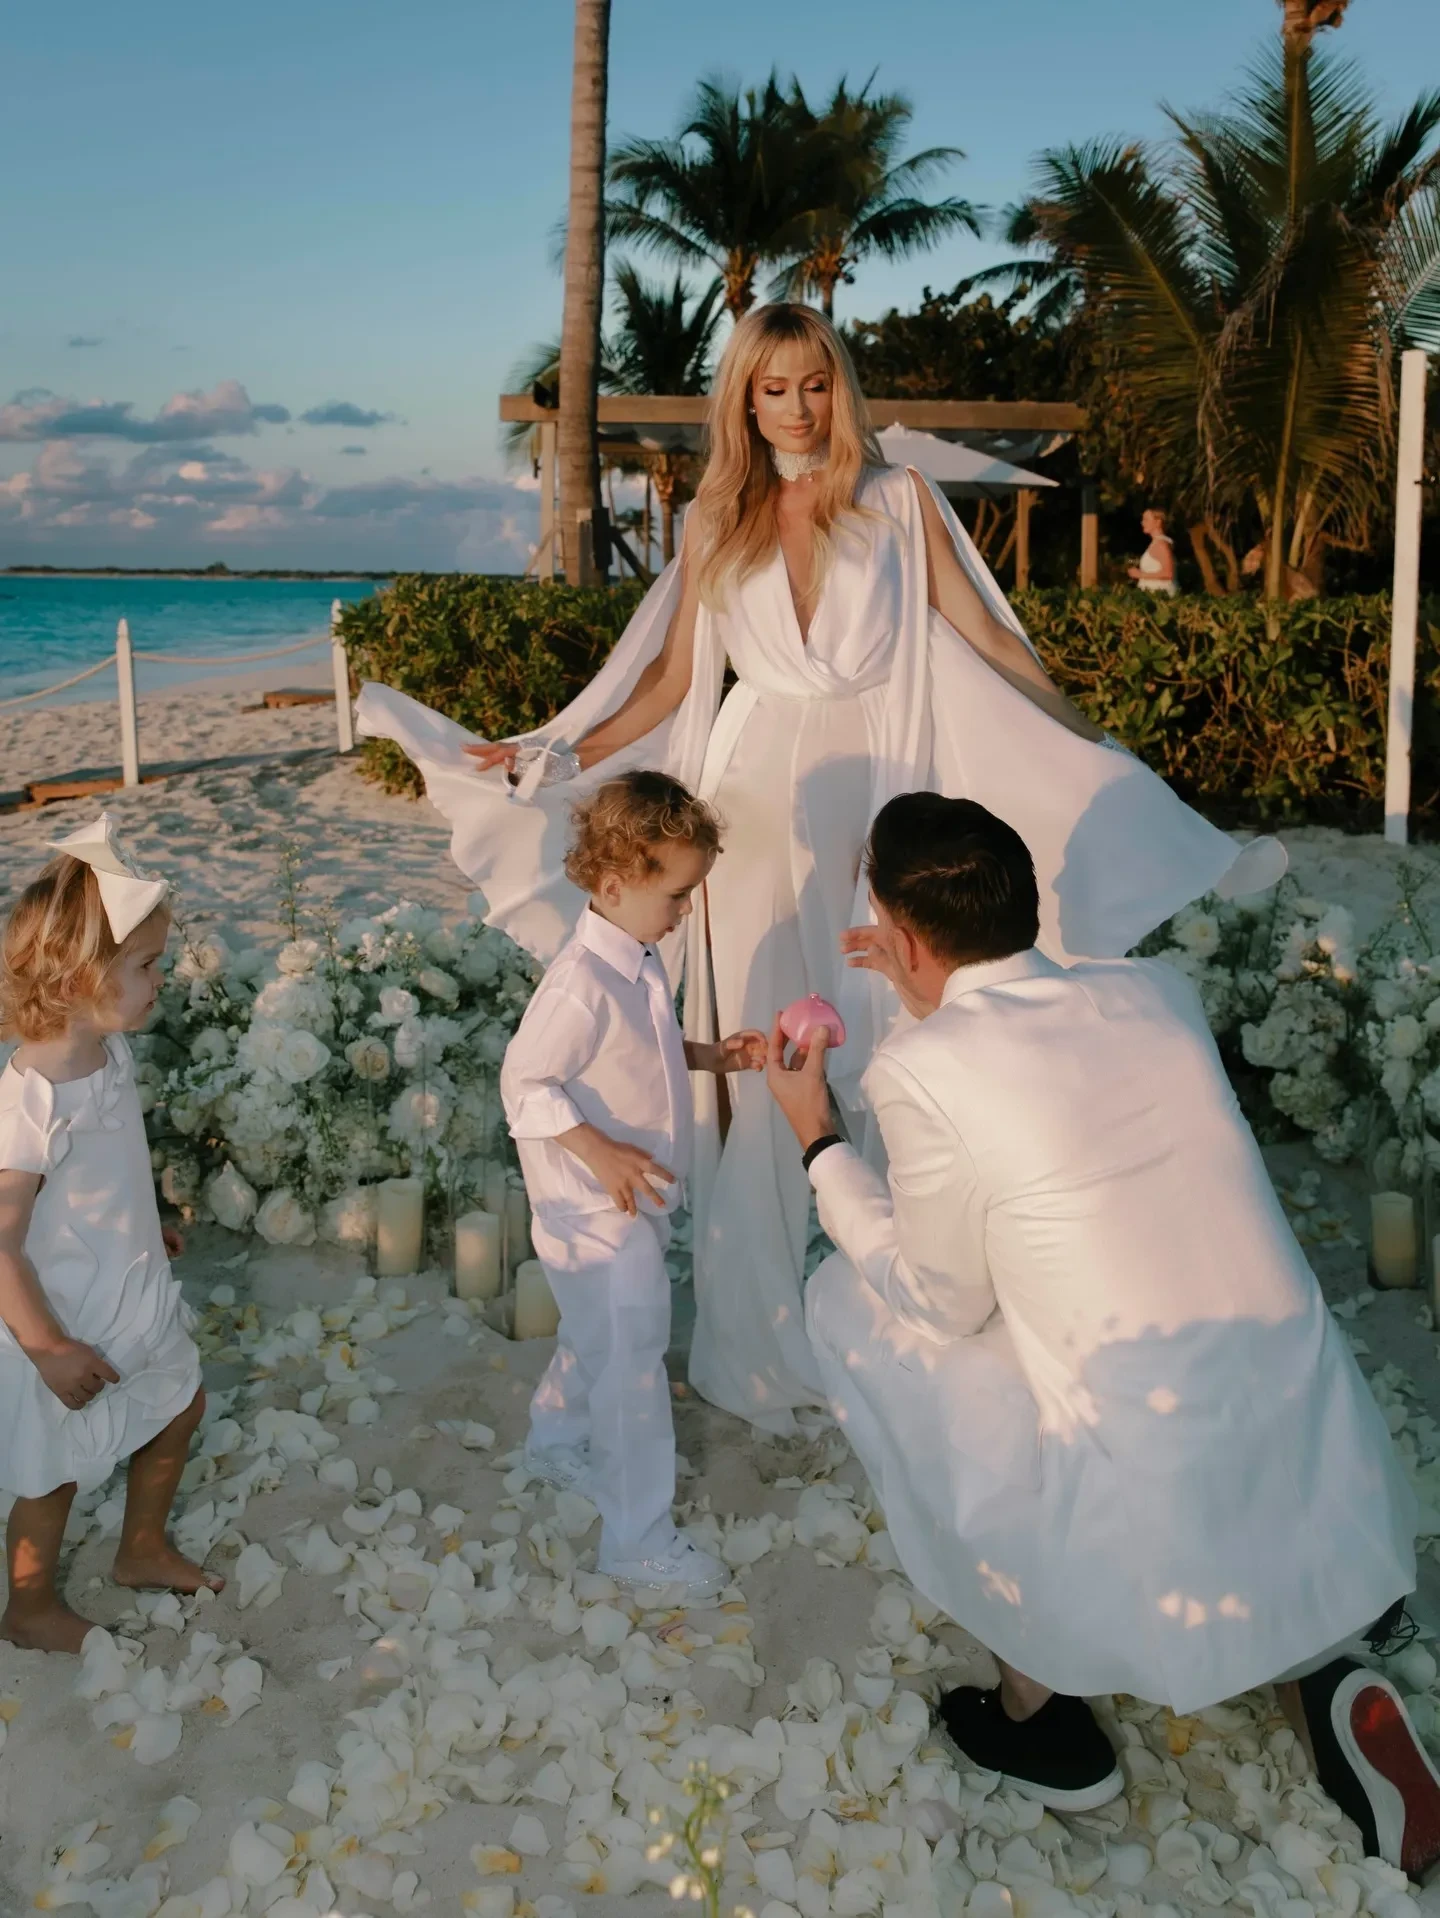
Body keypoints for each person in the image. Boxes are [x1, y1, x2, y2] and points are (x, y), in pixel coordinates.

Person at [357, 301, 1286, 1437]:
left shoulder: (900, 501)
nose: (797, 407)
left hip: (876, 793)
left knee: (886, 1042)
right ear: (744, 402)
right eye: (773, 388)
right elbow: (669, 684)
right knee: (760, 1061)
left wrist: (1095, 739)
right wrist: (554, 753)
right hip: (753, 804)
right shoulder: (716, 517)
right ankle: (751, 1348)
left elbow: (989, 639)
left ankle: (908, 1321)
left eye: (815, 383)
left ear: (839, 388)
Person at [765, 791, 1440, 1875]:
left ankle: (1041, 1712)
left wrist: (820, 1143)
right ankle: (1317, 1656)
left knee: (854, 1299)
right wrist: (932, 989)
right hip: (1313, 1457)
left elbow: (938, 1301)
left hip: (1156, 1488)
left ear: (900, 938)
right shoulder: (1155, 992)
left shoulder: (920, 1070)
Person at [501, 771, 766, 1600]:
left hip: (624, 1199)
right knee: (634, 1364)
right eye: (677, 894)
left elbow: (638, 1046)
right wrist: (599, 1151)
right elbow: (523, 1084)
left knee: (600, 1334)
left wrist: (709, 1057)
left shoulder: (634, 955)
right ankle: (637, 1539)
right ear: (616, 884)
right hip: (591, 1209)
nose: (685, 910)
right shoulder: (579, 984)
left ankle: (554, 1438)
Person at [0, 816, 220, 1655]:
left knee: (180, 1401)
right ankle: (29, 1603)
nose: (161, 980)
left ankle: (141, 1547)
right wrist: (48, 1347)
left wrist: (144, 1222)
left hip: (125, 1285)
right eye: (146, 965)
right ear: (77, 979)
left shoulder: (107, 1055)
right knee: (52, 1471)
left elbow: (106, 1169)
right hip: (64, 1312)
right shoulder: (32, 1098)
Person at [1127, 507, 1177, 595]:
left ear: (1158, 522)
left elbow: (1168, 573)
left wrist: (1139, 574)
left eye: (1146, 519)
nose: (1142, 523)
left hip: (1160, 594)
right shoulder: (1157, 543)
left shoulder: (1161, 544)